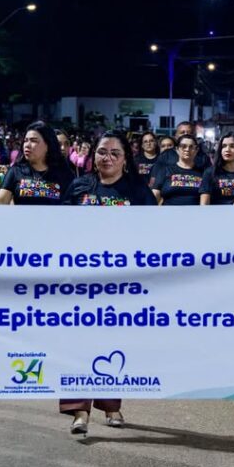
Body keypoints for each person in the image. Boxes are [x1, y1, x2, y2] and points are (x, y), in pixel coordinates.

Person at [61, 133, 155, 433]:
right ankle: (79, 411)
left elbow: (154, 234)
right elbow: (57, 229)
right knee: (77, 341)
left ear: (126, 158)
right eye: (102, 152)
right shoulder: (79, 187)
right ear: (93, 155)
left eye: (115, 153)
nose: (108, 158)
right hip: (80, 279)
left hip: (121, 281)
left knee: (113, 343)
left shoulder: (138, 191)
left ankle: (112, 406)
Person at [0, 123, 74, 206]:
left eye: (34, 140)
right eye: (25, 140)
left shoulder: (64, 173)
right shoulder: (15, 172)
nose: (27, 145)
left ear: (48, 145)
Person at [200, 132, 234, 205]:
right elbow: (204, 204)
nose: (227, 149)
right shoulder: (210, 172)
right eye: (224, 146)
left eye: (232, 146)